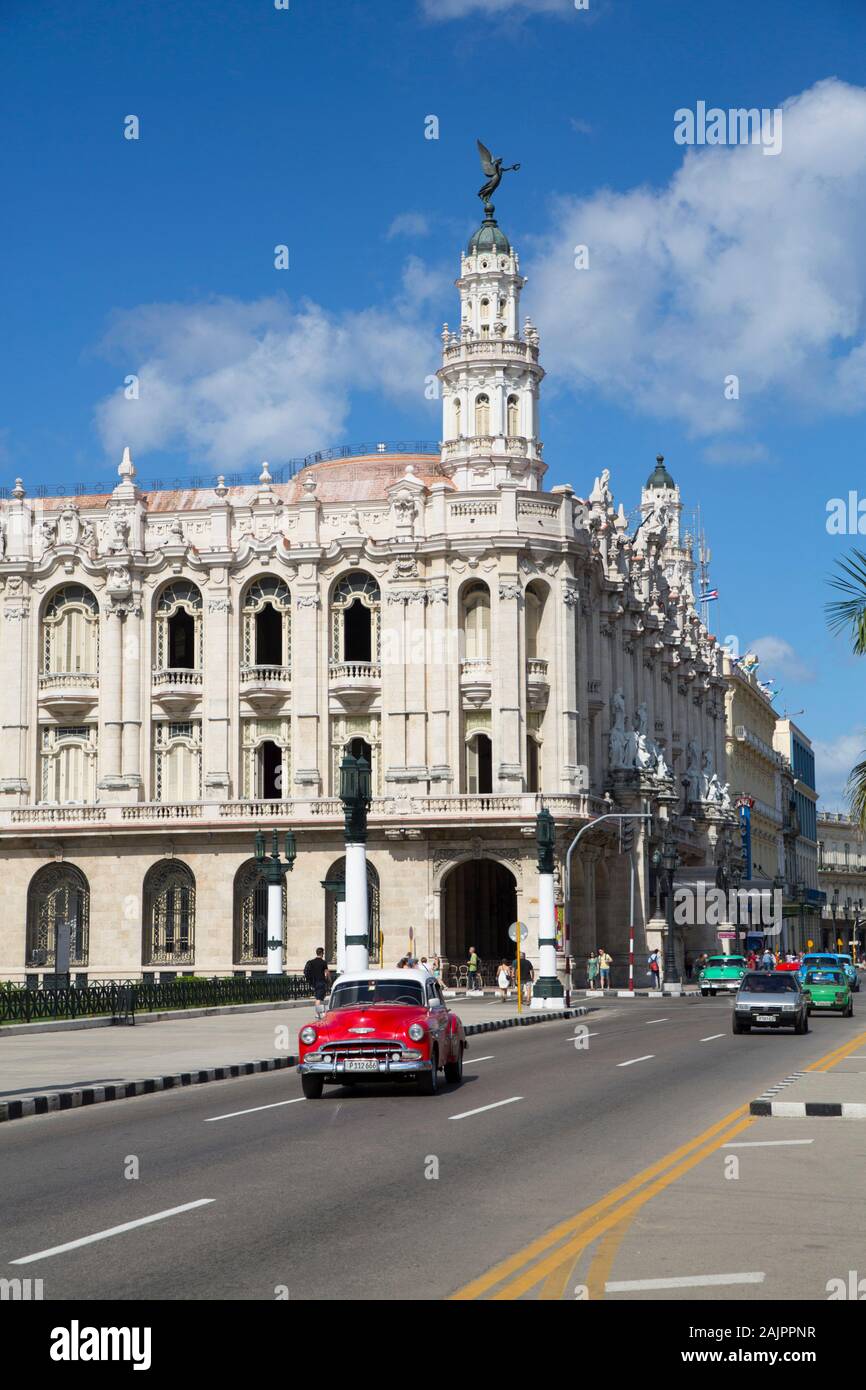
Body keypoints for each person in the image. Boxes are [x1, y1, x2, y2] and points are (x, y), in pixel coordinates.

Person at [304, 947, 330, 1017]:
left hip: (314, 982)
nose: (323, 954)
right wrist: (329, 980)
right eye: (323, 953)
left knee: (319, 997)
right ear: (321, 953)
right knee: (319, 999)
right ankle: (317, 1013)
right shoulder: (323, 962)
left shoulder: (312, 962)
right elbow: (327, 972)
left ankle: (320, 1012)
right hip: (321, 981)